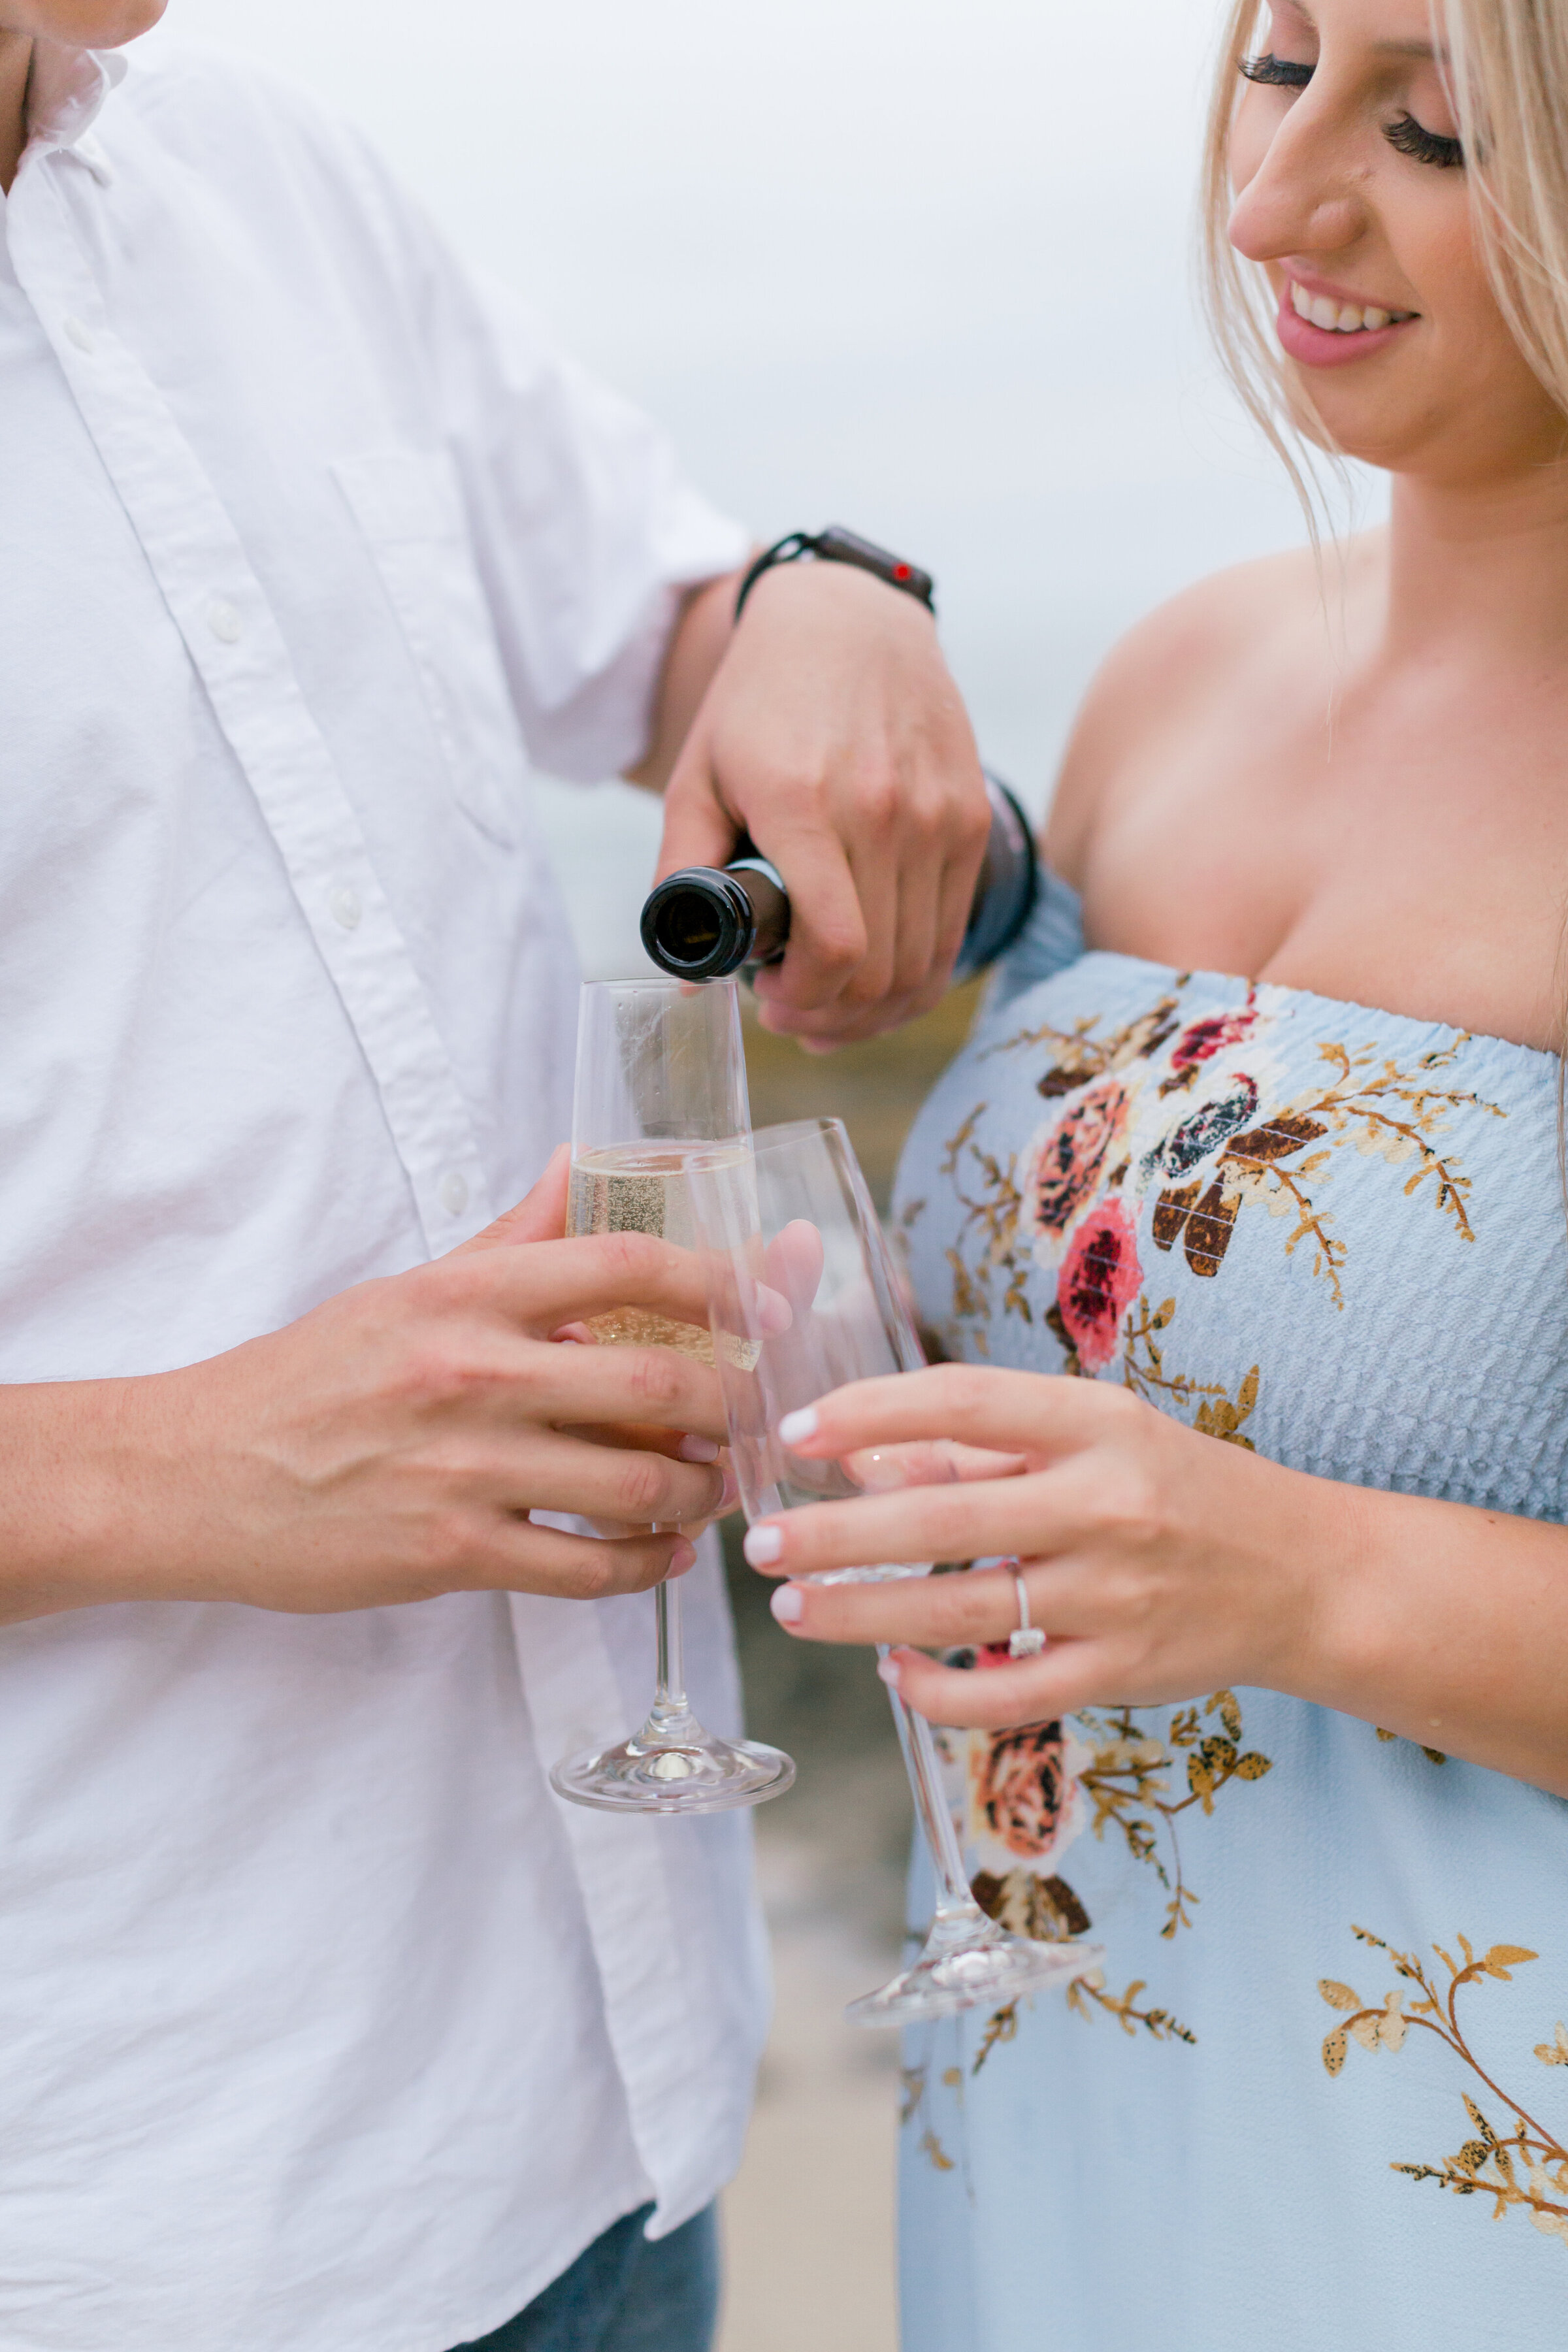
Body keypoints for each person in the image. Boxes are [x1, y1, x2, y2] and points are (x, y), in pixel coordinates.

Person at [0, 8, 990, 2349]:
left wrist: (817, 591)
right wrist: (159, 1469)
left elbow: (655, 627)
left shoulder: (252, 169)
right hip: (114, 2197)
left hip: (608, 2112)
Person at [738, 0, 1568, 2340]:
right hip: (1054, 2125)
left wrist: (1294, 1573)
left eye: (1435, 126)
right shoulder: (1177, 673)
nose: (1275, 203)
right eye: (1282, 62)